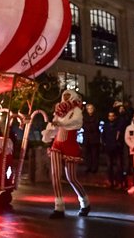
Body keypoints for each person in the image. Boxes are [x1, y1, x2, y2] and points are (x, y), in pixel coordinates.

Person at [47, 89, 90, 219]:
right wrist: (49, 131)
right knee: (55, 175)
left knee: (71, 178)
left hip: (70, 144)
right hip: (57, 143)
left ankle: (85, 203)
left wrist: (60, 123)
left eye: (68, 96)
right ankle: (59, 207)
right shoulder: (59, 110)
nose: (65, 98)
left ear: (73, 97)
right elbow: (55, 125)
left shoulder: (76, 110)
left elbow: (77, 123)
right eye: (64, 96)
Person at [101, 109, 125, 190]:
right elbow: (103, 136)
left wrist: (118, 143)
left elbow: (121, 136)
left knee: (119, 166)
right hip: (108, 148)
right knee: (109, 166)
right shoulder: (106, 126)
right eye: (109, 116)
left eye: (112, 116)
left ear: (115, 116)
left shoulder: (119, 125)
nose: (111, 117)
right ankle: (111, 181)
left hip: (117, 148)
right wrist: (104, 144)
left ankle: (120, 182)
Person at [82, 103, 101, 173]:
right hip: (87, 138)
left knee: (94, 154)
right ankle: (88, 167)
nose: (90, 110)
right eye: (89, 109)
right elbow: (84, 125)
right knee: (87, 154)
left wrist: (89, 125)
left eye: (91, 108)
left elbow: (95, 126)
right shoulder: (84, 117)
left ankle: (94, 168)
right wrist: (89, 125)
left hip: (94, 138)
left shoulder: (96, 116)